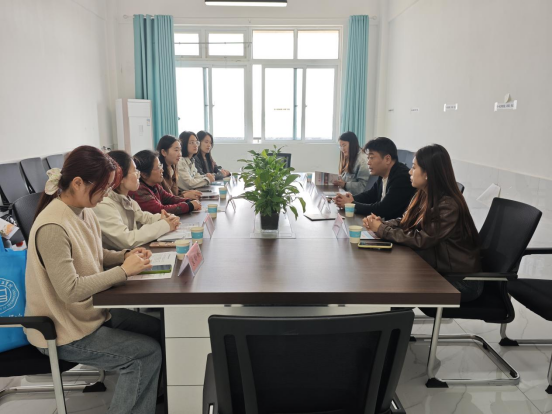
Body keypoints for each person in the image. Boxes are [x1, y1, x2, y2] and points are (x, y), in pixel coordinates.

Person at [25, 145, 162, 414]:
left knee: (158, 330)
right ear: (78, 183)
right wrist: (124, 271)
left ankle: (149, 397)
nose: (106, 194)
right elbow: (70, 290)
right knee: (145, 355)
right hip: (63, 330)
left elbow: (95, 254)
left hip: (89, 315)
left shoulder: (84, 209)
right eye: (102, 188)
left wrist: (125, 256)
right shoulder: (53, 225)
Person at [363, 144, 483, 302]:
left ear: (427, 173)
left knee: (397, 281)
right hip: (436, 269)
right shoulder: (423, 194)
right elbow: (405, 221)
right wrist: (382, 224)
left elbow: (421, 240)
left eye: (414, 167)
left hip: (460, 280)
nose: (409, 172)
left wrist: (382, 230)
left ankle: (396, 316)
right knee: (391, 274)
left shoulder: (448, 205)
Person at [93, 150, 180, 250]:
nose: (138, 175)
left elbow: (143, 217)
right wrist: (165, 225)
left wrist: (163, 218)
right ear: (120, 177)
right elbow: (128, 240)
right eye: (135, 171)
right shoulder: (104, 203)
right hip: (120, 257)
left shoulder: (125, 198)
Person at [335, 137, 416, 220]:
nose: (368, 162)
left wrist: (351, 204)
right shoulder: (384, 173)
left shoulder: (402, 177)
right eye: (368, 158)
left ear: (387, 159)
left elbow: (382, 209)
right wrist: (349, 198)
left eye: (371, 157)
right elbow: (370, 195)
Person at [130, 149, 202, 215]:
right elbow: (160, 210)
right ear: (144, 174)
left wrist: (188, 201)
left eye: (160, 165)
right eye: (158, 167)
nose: (162, 170)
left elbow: (170, 199)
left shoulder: (155, 186)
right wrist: (189, 206)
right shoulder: (139, 191)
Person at [156, 134, 202, 200]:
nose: (180, 154)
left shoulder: (173, 166)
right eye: (176, 150)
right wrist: (184, 196)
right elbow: (165, 200)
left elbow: (174, 193)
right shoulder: (158, 173)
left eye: (180, 150)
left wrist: (187, 193)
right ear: (164, 152)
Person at [332, 131, 370, 195]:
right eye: (340, 146)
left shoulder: (362, 161)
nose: (342, 149)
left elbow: (363, 187)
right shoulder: (351, 156)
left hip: (356, 198)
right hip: (346, 194)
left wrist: (345, 185)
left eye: (344, 145)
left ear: (352, 144)